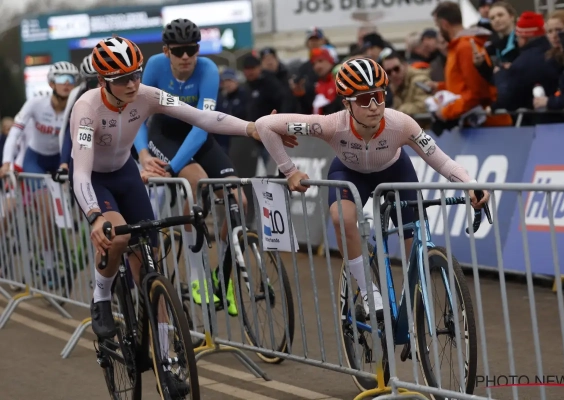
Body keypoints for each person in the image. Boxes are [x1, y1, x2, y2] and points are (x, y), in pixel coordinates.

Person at [69, 35, 289, 395]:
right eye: (123, 79)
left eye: (136, 74)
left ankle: (166, 359)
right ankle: (101, 297)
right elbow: (80, 173)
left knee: (151, 271)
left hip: (125, 175)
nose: (133, 84)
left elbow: (203, 117)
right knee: (118, 235)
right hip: (95, 180)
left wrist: (252, 128)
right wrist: (94, 215)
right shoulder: (86, 108)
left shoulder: (146, 95)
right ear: (103, 81)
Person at [254, 58, 490, 316]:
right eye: (365, 100)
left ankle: (413, 305)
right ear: (347, 104)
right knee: (341, 218)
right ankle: (368, 292)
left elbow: (442, 161)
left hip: (396, 171)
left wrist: (470, 184)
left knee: (416, 246)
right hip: (350, 172)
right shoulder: (331, 125)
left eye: (378, 96)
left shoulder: (402, 124)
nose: (374, 106)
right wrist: (289, 170)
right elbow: (265, 125)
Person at [133, 19, 245, 315]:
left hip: (198, 135)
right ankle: (197, 275)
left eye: (192, 50)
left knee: (239, 201)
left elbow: (202, 127)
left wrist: (174, 168)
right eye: (179, 51)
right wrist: (143, 153)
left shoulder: (208, 70)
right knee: (196, 183)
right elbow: (137, 115)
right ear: (166, 51)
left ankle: (224, 276)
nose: (186, 57)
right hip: (164, 135)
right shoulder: (155, 66)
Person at [1, 61, 79, 282]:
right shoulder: (36, 103)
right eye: (62, 79)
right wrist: (6, 163)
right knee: (47, 208)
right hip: (34, 160)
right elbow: (14, 133)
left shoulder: (76, 106)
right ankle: (49, 264)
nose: (67, 83)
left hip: (61, 161)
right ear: (51, 83)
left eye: (71, 79)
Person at [57, 54, 100, 179]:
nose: (99, 86)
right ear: (86, 82)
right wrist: (64, 163)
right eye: (94, 82)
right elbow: (69, 130)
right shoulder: (77, 95)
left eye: (104, 80)